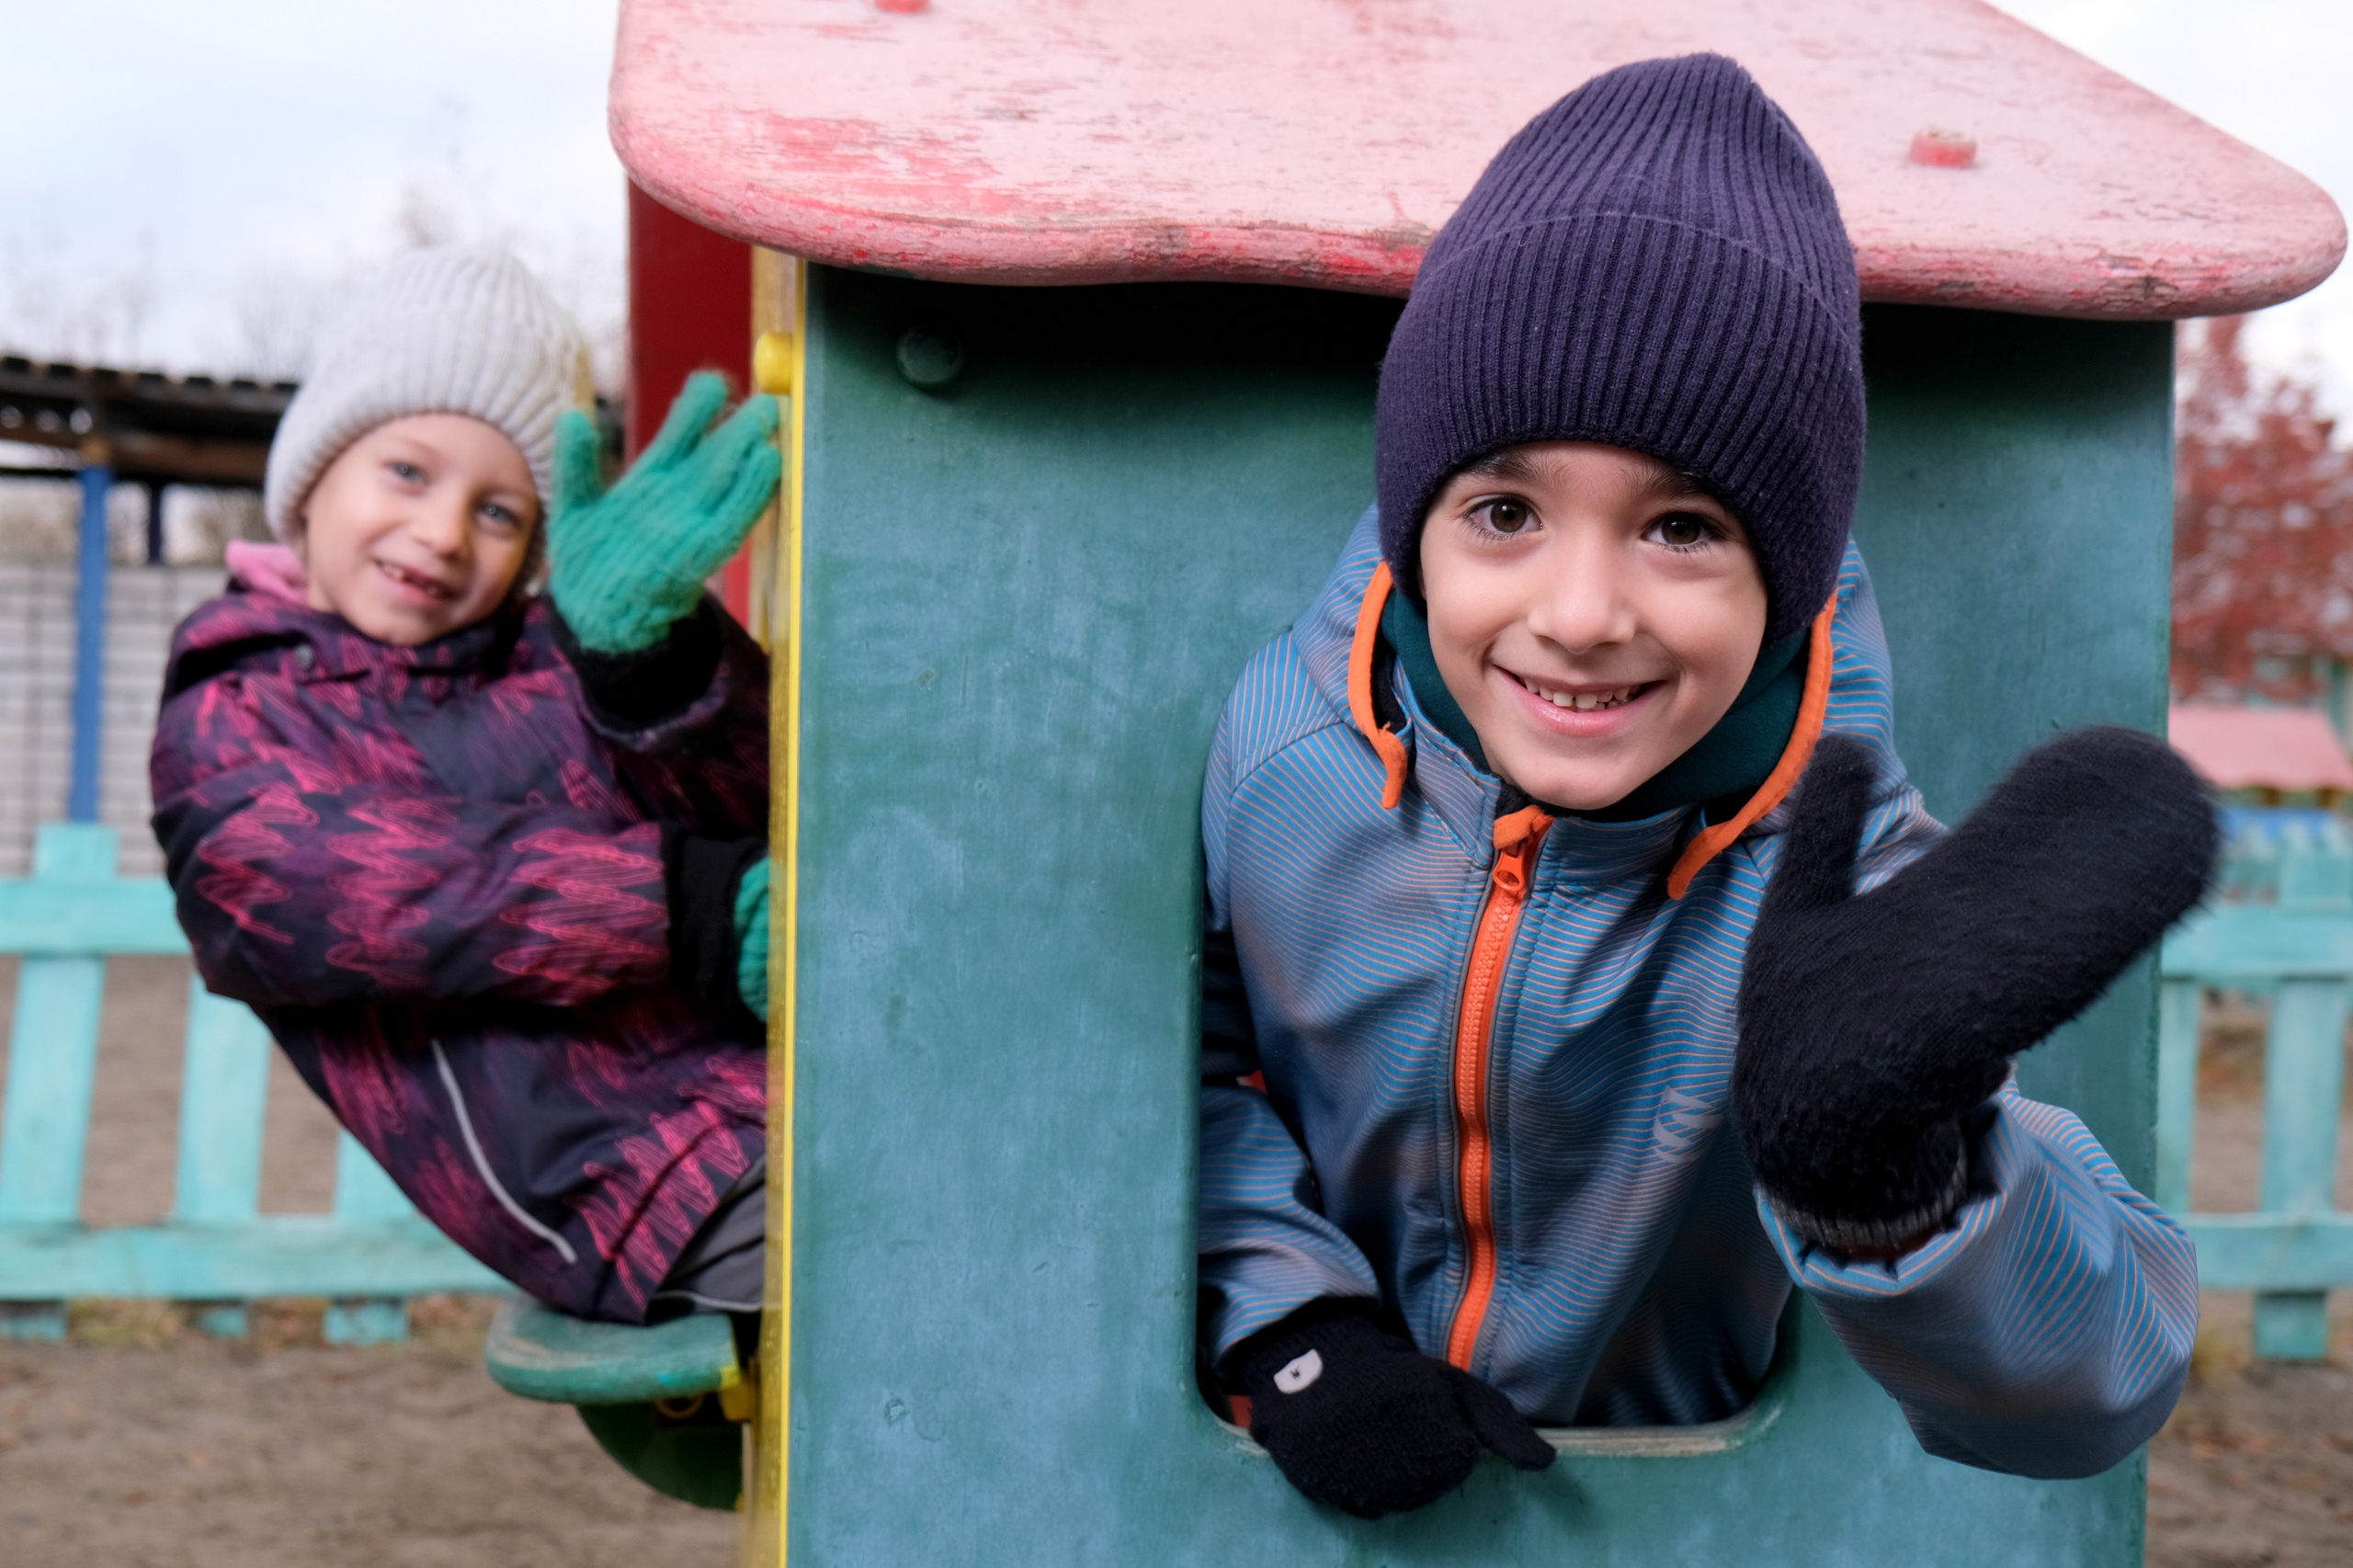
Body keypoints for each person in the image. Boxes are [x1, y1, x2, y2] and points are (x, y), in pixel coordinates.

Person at [1196, 54, 2215, 1519]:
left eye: (1681, 527)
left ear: (1786, 579)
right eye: (1504, 512)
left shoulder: (1843, 889)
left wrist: (1895, 1182)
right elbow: (1178, 1069)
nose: (1584, 608)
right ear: (1417, 523)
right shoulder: (1291, 757)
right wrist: (1295, 1329)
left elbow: (2107, 1386)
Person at [150, 247, 779, 1324]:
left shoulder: (555, 652)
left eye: (499, 512)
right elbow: (322, 889)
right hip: (635, 1186)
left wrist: (650, 667)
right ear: (313, 476)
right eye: (406, 471)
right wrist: (680, 907)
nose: (443, 534)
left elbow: (761, 810)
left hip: (794, 1096)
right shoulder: (238, 706)